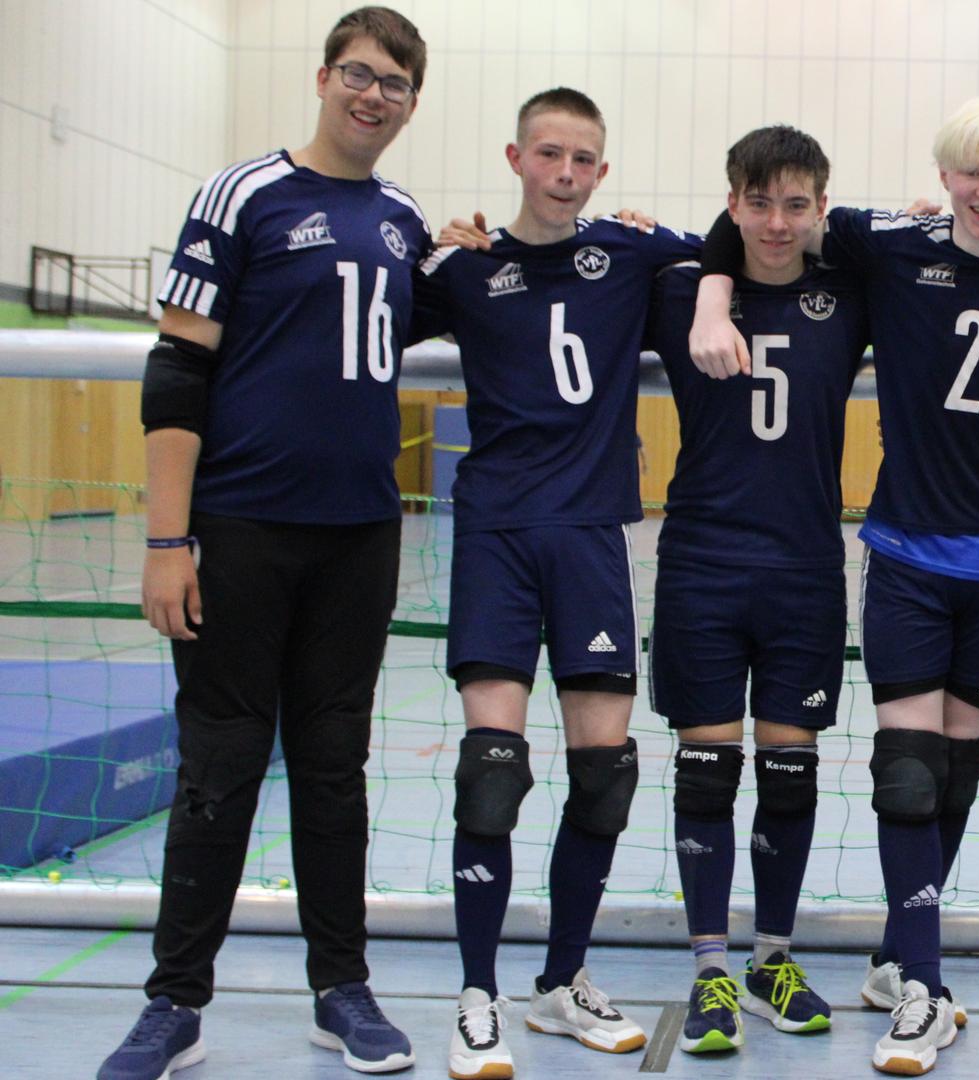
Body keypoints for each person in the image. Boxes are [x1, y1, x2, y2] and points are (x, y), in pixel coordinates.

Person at [687, 99, 979, 1076]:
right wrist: (708, 298)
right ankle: (925, 982)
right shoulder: (888, 243)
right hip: (908, 552)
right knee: (905, 770)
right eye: (972, 173)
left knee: (959, 772)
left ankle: (892, 959)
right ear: (946, 175)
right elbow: (743, 214)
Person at [104, 9, 430, 1079]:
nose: (372, 96)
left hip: (359, 537)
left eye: (394, 84)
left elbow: (415, 314)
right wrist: (167, 538)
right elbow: (177, 369)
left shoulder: (399, 217)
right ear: (325, 76)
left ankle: (343, 988)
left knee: (335, 767)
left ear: (411, 103)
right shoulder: (242, 195)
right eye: (358, 75)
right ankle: (174, 1002)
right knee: (222, 762)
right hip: (239, 531)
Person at [413, 88, 699, 1078]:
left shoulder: (632, 253)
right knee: (492, 771)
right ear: (515, 157)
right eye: (549, 154)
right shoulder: (465, 267)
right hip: (497, 531)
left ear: (603, 173)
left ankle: (561, 980)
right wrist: (434, 245)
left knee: (604, 775)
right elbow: (379, 306)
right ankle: (477, 996)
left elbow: (736, 253)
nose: (566, 172)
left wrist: (663, 237)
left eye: (584, 159)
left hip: (590, 535)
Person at [644, 124, 868, 1055]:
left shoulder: (851, 294)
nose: (777, 222)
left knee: (788, 768)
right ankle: (709, 971)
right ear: (731, 203)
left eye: (797, 204)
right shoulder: (674, 291)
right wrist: (708, 283)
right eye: (758, 202)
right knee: (705, 767)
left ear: (820, 205)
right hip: (701, 559)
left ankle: (772, 954)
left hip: (806, 564)